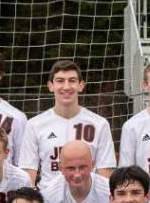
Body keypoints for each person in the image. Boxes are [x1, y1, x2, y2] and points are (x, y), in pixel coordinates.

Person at [18, 60, 116, 188]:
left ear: (81, 85)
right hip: (49, 200)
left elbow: (105, 171)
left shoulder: (99, 124)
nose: (66, 87)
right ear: (50, 86)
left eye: (72, 80)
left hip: (87, 198)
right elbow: (28, 171)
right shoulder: (34, 125)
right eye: (60, 81)